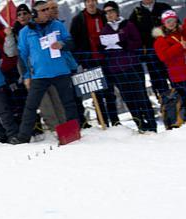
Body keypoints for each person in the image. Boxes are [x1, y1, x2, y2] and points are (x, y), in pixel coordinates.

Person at [11, 1, 79, 144]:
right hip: (40, 75)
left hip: (61, 71)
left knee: (68, 103)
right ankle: (22, 138)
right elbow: (22, 56)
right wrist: (26, 76)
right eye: (44, 10)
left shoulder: (57, 25)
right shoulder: (25, 32)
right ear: (35, 13)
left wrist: (62, 44)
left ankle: (74, 132)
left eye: (49, 9)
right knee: (31, 106)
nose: (48, 11)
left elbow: (71, 43)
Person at [99, 1, 157, 132]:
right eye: (106, 12)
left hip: (133, 65)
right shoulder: (104, 30)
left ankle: (152, 126)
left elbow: (137, 42)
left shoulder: (128, 25)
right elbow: (104, 49)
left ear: (117, 11)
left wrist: (123, 42)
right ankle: (140, 125)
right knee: (129, 99)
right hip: (117, 69)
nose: (109, 14)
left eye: (111, 11)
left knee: (141, 96)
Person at [70, 0, 119, 126]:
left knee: (110, 92)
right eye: (88, 1)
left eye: (93, 1)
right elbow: (74, 42)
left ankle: (115, 121)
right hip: (90, 61)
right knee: (97, 94)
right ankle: (103, 122)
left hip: (106, 59)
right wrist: (81, 61)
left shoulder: (103, 15)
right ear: (85, 3)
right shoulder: (78, 19)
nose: (91, 4)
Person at [129, 0, 172, 97]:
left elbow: (176, 26)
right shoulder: (136, 14)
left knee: (177, 78)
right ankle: (167, 106)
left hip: (169, 50)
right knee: (159, 83)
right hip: (150, 54)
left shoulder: (164, 7)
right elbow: (133, 36)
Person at [154, 10, 186, 103]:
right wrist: (180, 46)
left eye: (173, 20)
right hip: (179, 76)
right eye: (168, 21)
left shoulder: (181, 33)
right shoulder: (161, 39)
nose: (171, 23)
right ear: (164, 23)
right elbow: (163, 56)